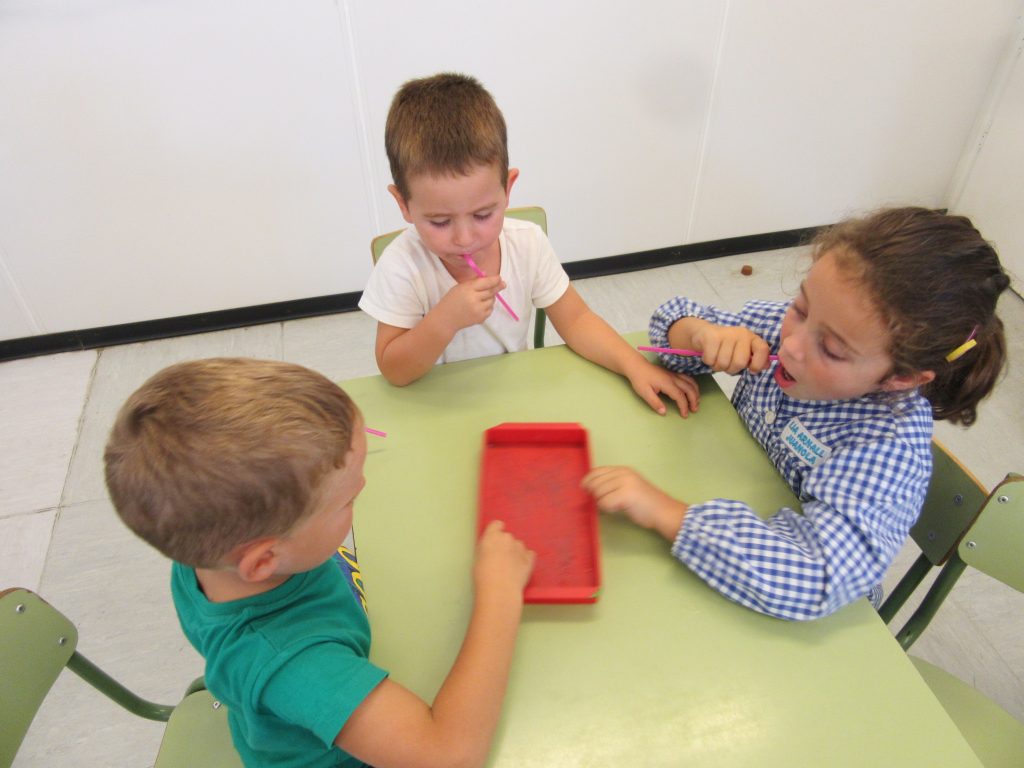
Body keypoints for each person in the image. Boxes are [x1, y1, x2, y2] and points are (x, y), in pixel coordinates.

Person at [104, 358, 535, 768]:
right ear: (264, 560)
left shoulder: (205, 550)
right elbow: (448, 756)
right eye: (347, 500)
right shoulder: (296, 663)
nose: (363, 487)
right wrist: (500, 594)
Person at [582, 207, 1010, 621]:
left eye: (832, 350)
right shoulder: (789, 328)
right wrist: (701, 335)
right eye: (801, 308)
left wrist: (668, 514)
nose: (791, 344)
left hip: (795, 604)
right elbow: (668, 322)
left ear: (901, 377)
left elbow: (814, 578)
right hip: (727, 510)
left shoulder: (886, 448)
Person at [358, 72, 699, 417]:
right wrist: (443, 321)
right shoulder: (402, 266)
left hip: (515, 400)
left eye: (483, 214)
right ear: (403, 204)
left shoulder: (527, 244)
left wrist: (635, 366)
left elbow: (577, 320)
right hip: (436, 409)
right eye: (440, 222)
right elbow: (394, 370)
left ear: (508, 189)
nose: (464, 238)